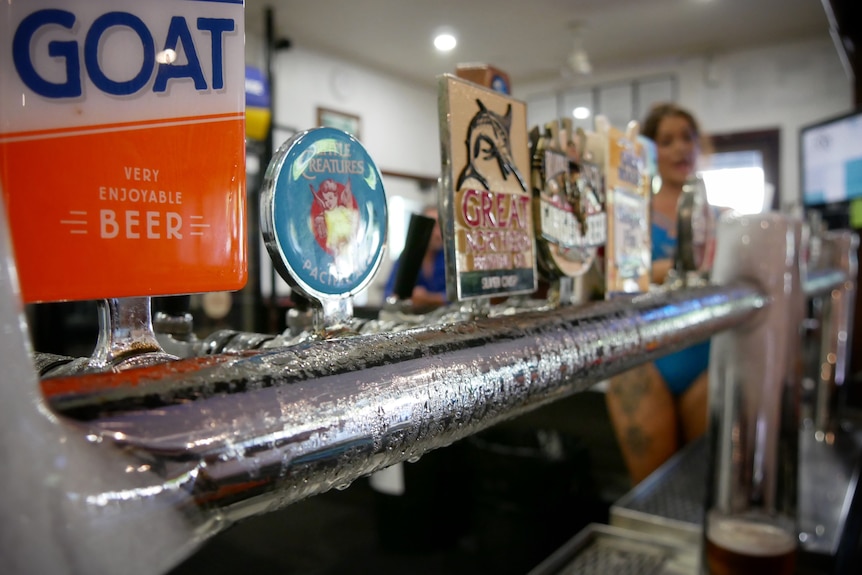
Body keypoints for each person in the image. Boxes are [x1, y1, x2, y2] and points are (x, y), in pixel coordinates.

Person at [605, 103, 711, 484]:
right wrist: (680, 268)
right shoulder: (632, 214)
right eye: (667, 141)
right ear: (651, 152)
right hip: (646, 360)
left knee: (704, 486)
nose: (681, 148)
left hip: (708, 358)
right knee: (654, 489)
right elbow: (615, 278)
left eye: (687, 137)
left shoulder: (719, 217)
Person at [384, 205, 447, 307]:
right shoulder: (405, 258)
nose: (438, 233)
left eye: (441, 225)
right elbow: (388, 295)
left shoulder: (449, 260)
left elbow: (458, 297)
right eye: (433, 225)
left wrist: (428, 298)